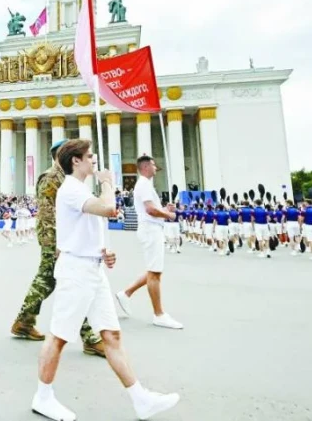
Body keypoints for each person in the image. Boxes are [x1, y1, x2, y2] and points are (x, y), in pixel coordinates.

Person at [31, 140, 179, 421]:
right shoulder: (71, 189)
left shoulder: (81, 188)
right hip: (76, 271)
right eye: (89, 156)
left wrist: (103, 251)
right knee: (59, 336)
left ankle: (140, 399)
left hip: (93, 268)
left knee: (111, 335)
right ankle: (43, 396)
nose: (94, 160)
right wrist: (108, 182)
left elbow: (84, 227)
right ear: (75, 161)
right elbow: (109, 208)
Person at [11, 139, 105, 357]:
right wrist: (57, 244)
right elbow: (47, 213)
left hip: (64, 239)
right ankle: (89, 337)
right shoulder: (51, 177)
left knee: (47, 280)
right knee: (72, 281)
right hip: (55, 240)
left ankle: (24, 321)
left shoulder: (67, 178)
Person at [116, 155, 183, 330]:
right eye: (153, 165)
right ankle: (159, 314)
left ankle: (126, 293)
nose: (156, 168)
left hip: (152, 228)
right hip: (150, 229)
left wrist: (164, 209)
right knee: (155, 273)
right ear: (145, 167)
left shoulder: (145, 185)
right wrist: (169, 215)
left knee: (154, 270)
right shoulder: (144, 184)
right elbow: (150, 210)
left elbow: (153, 209)